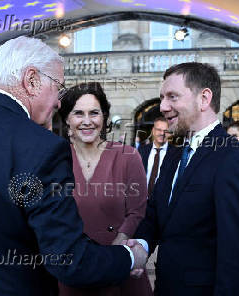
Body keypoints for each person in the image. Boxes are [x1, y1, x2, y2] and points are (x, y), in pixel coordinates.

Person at [0, 36, 147, 296]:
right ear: (32, 79)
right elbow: (68, 260)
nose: (59, 102)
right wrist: (128, 257)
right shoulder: (40, 147)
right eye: (57, 87)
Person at [128, 62, 239, 295]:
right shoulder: (175, 154)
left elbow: (237, 253)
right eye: (162, 98)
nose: (163, 106)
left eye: (172, 97)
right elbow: (157, 213)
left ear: (204, 98)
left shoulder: (234, 158)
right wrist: (141, 245)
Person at [57, 82, 153, 296]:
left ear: (104, 117)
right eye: (78, 113)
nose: (87, 121)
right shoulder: (55, 159)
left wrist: (114, 254)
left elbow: (137, 211)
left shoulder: (127, 155)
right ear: (67, 119)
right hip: (73, 270)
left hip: (120, 268)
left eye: (94, 113)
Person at [138, 117, 179, 197]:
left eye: (165, 131)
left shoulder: (176, 154)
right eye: (158, 130)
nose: (162, 133)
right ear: (153, 131)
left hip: (162, 204)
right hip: (141, 202)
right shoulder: (142, 151)